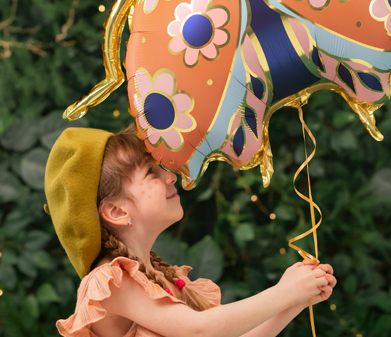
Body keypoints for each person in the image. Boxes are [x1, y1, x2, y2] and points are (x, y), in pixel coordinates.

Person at [45, 127, 337, 337]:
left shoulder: (161, 277)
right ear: (117, 211)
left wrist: (296, 300)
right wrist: (284, 293)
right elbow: (201, 330)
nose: (171, 176)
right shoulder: (110, 282)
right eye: (151, 173)